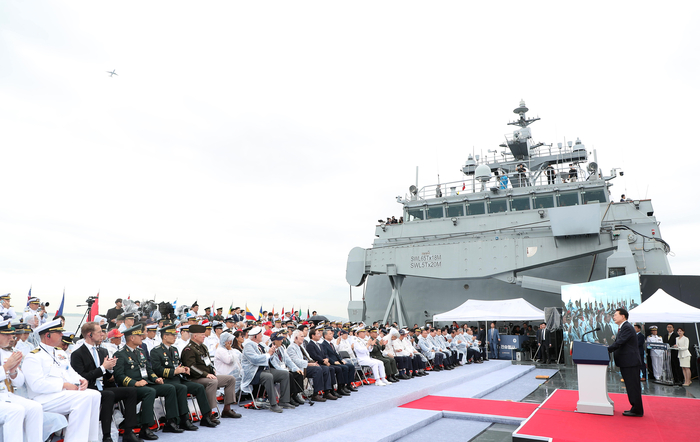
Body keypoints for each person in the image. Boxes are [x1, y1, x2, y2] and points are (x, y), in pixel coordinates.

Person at [23, 318, 103, 442]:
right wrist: (63, 385)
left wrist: (82, 380)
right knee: (83, 398)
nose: (62, 335)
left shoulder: (60, 353)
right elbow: (36, 385)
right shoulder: (33, 357)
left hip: (60, 395)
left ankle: (92, 439)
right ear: (48, 335)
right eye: (58, 333)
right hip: (42, 398)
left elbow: (70, 371)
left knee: (95, 395)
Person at [70, 321, 144, 442]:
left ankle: (128, 431)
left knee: (131, 391)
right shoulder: (77, 354)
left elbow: (106, 376)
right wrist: (103, 368)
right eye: (99, 332)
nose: (102, 335)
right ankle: (106, 435)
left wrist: (109, 369)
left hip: (103, 386)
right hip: (89, 389)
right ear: (90, 335)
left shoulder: (102, 351)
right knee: (108, 395)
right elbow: (82, 377)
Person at [113, 323, 185, 435]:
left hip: (146, 382)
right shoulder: (120, 354)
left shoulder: (141, 352)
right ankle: (145, 427)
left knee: (170, 388)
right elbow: (119, 376)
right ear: (132, 338)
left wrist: (156, 379)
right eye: (139, 336)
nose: (142, 337)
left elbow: (149, 370)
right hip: (131, 386)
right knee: (149, 392)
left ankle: (171, 422)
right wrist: (135, 383)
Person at [150, 324, 220, 428]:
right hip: (167, 380)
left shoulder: (174, 349)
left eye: (175, 335)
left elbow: (178, 364)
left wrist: (184, 369)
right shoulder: (156, 351)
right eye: (172, 335)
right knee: (182, 388)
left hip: (178, 378)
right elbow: (157, 369)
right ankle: (184, 419)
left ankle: (206, 416)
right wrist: (175, 371)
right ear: (165, 336)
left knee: (199, 387)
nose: (175, 337)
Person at [180, 324, 241, 419]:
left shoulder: (203, 347)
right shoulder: (189, 349)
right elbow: (191, 367)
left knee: (230, 379)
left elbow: (208, 362)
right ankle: (209, 413)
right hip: (195, 378)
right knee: (212, 382)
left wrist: (212, 371)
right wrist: (206, 374)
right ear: (195, 336)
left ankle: (227, 409)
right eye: (202, 335)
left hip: (207, 376)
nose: (205, 336)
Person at [0, 319, 44, 442]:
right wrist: (5, 368)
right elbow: (4, 369)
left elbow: (19, 383)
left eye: (11, 334)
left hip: (5, 395)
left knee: (35, 407)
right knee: (15, 411)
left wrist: (13, 371)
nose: (11, 337)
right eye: (6, 334)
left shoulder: (8, 353)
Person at [240, 326, 293, 412]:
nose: (262, 336)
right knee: (268, 377)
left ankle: (284, 401)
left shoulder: (260, 345)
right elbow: (255, 359)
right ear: (255, 336)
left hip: (263, 370)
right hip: (253, 372)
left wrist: (272, 353)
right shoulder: (248, 346)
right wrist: (268, 354)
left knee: (284, 374)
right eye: (260, 334)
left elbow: (269, 356)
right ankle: (273, 404)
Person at [607, 308, 643, 417]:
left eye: (615, 315)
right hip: (627, 362)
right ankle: (635, 408)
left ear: (623, 316)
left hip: (630, 362)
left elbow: (619, 342)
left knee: (633, 386)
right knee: (630, 385)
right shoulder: (623, 328)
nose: (614, 317)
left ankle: (637, 409)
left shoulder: (626, 327)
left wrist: (606, 349)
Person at [287, 329, 334, 401]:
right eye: (301, 336)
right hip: (300, 367)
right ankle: (315, 394)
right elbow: (297, 361)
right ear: (296, 338)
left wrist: (314, 363)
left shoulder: (301, 346)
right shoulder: (291, 348)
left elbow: (308, 357)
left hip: (307, 365)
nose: (303, 338)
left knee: (325, 368)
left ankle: (327, 391)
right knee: (317, 369)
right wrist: (310, 364)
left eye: (303, 336)